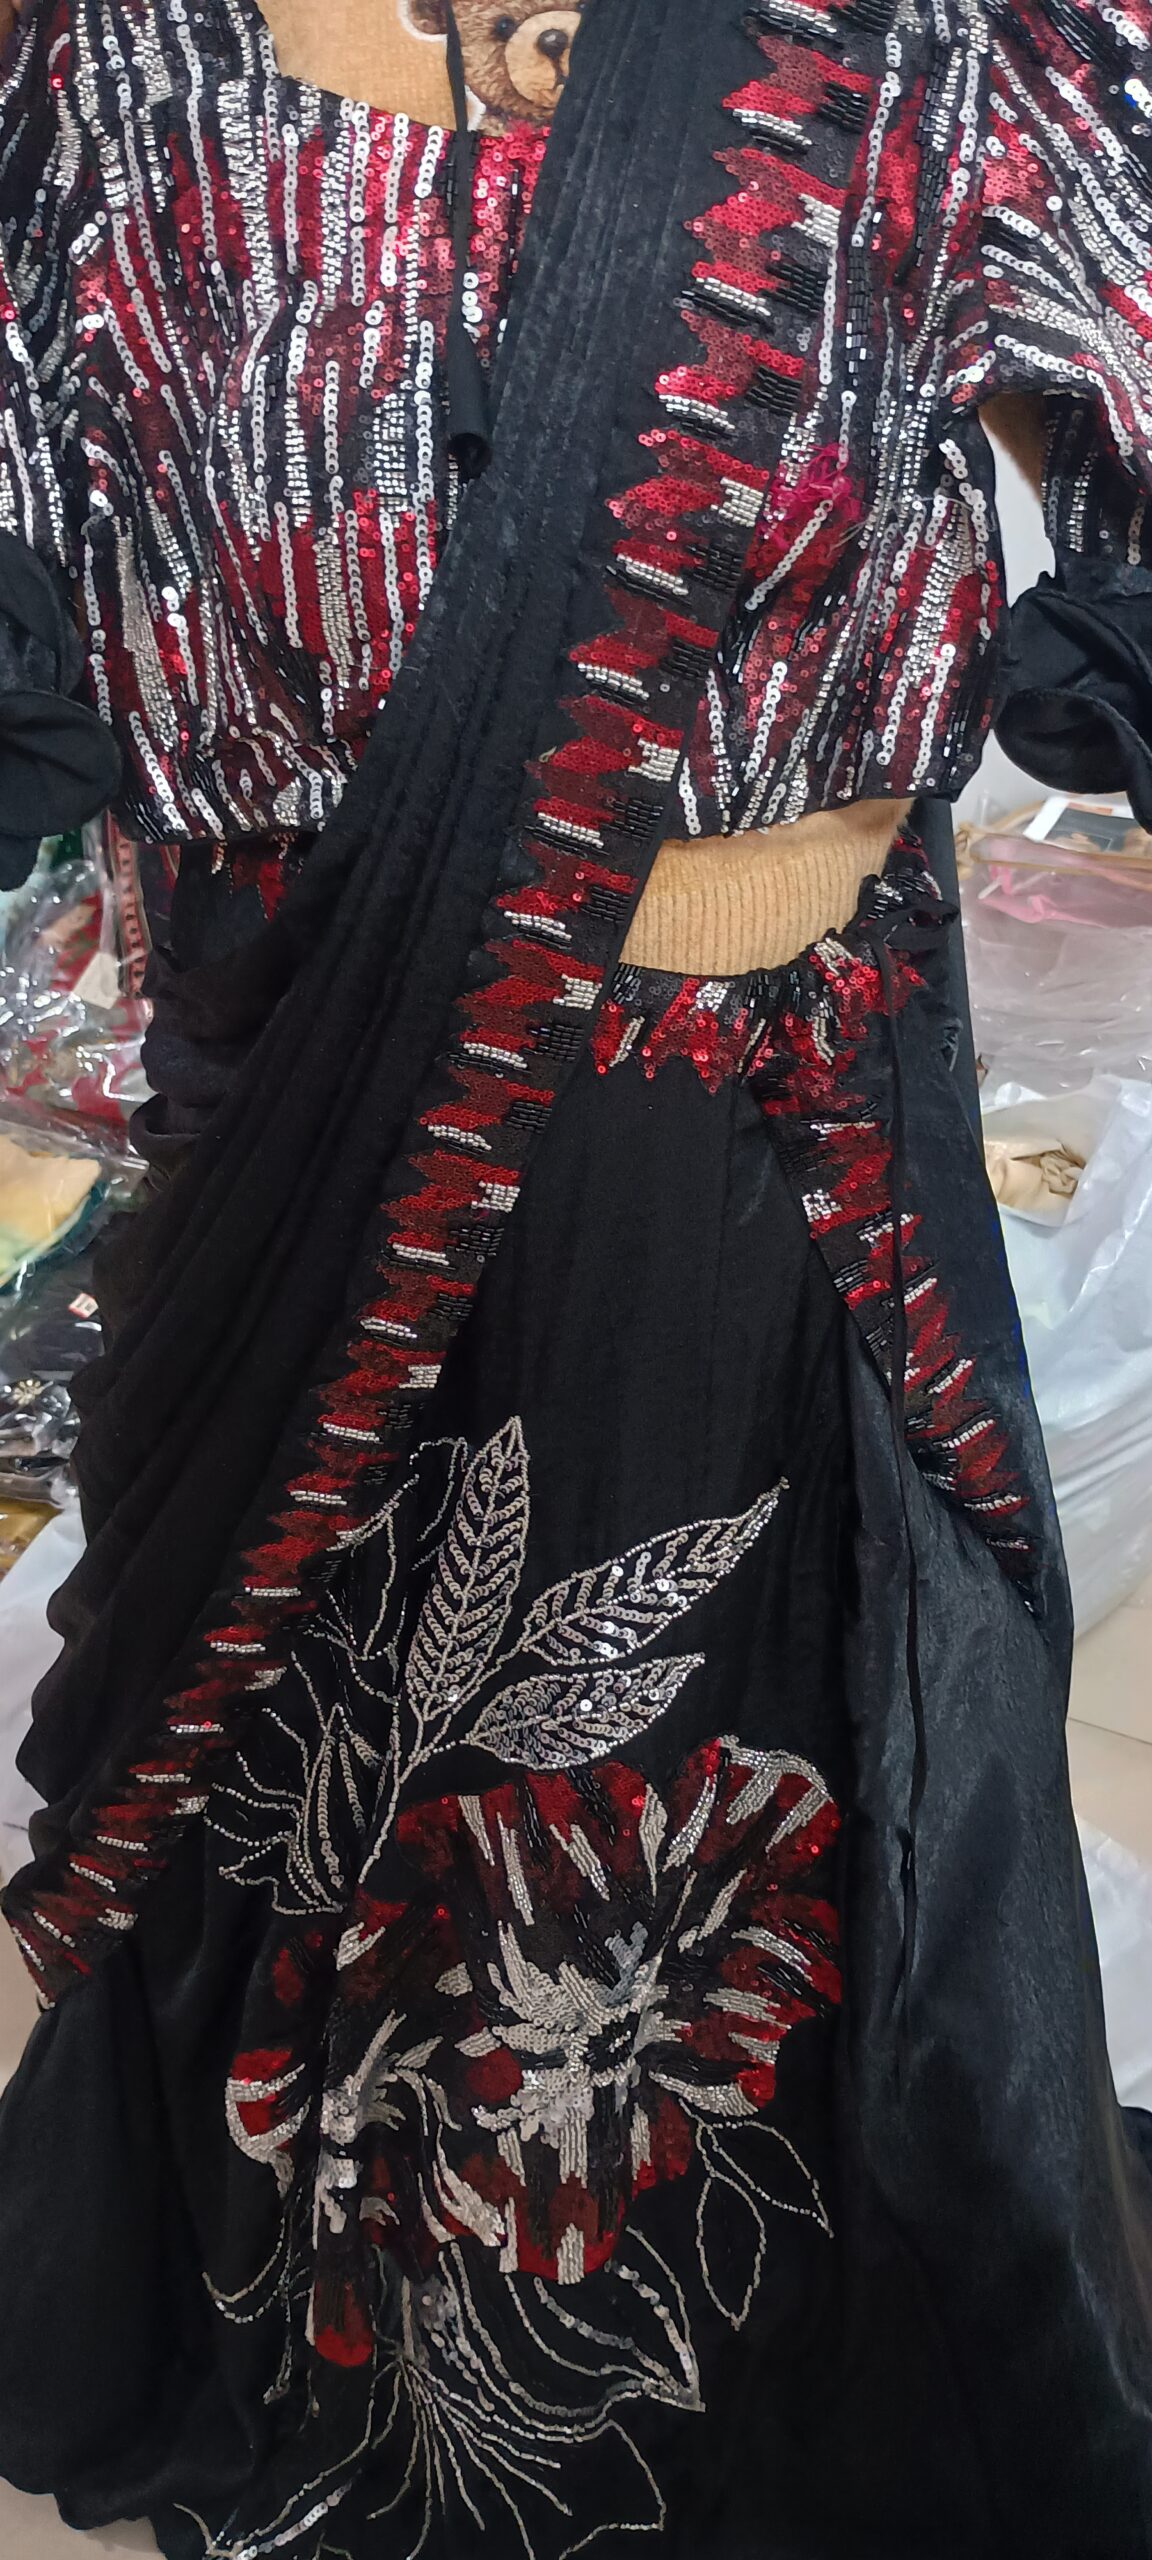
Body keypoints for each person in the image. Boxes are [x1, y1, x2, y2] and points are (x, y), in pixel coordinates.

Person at [0, 1, 1149, 2553]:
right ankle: (344, 2392)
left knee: (727, 1818)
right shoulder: (107, 75)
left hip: (748, 1154)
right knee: (299, 1779)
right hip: (303, 1117)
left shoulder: (923, 46)